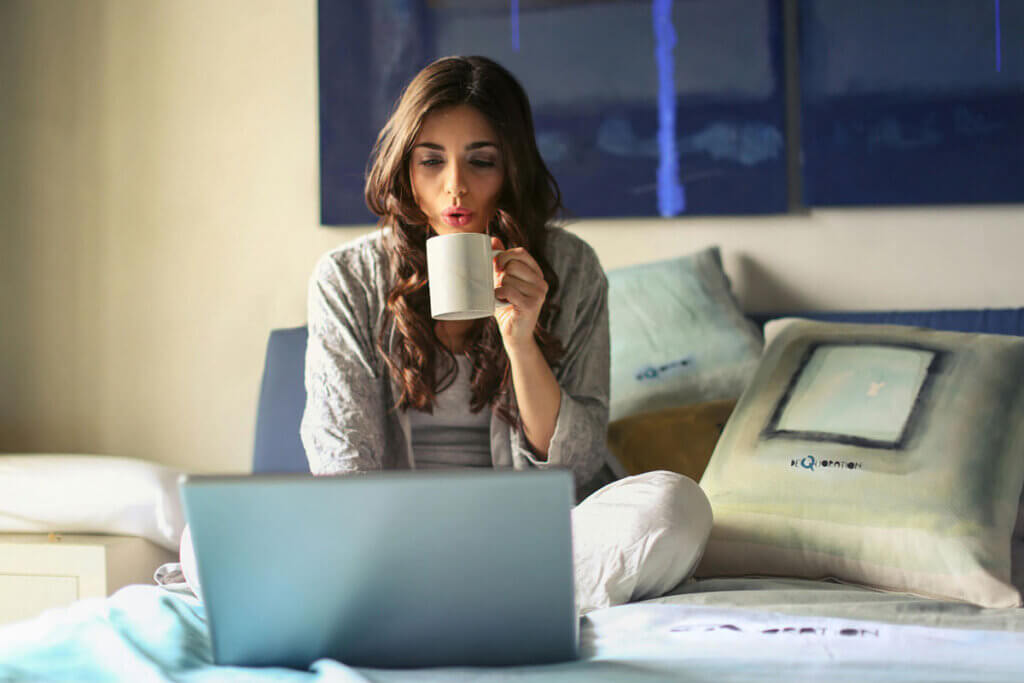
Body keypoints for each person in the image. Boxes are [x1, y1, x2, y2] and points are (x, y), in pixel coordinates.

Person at [297, 55, 712, 614]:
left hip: (533, 540)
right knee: (203, 542)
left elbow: (576, 465)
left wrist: (521, 340)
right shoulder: (347, 278)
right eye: (431, 161)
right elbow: (342, 463)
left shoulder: (573, 267)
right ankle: (483, 598)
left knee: (675, 507)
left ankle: (438, 601)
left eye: (481, 161)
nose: (456, 187)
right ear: (405, 169)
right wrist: (381, 545)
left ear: (511, 168)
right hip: (393, 542)